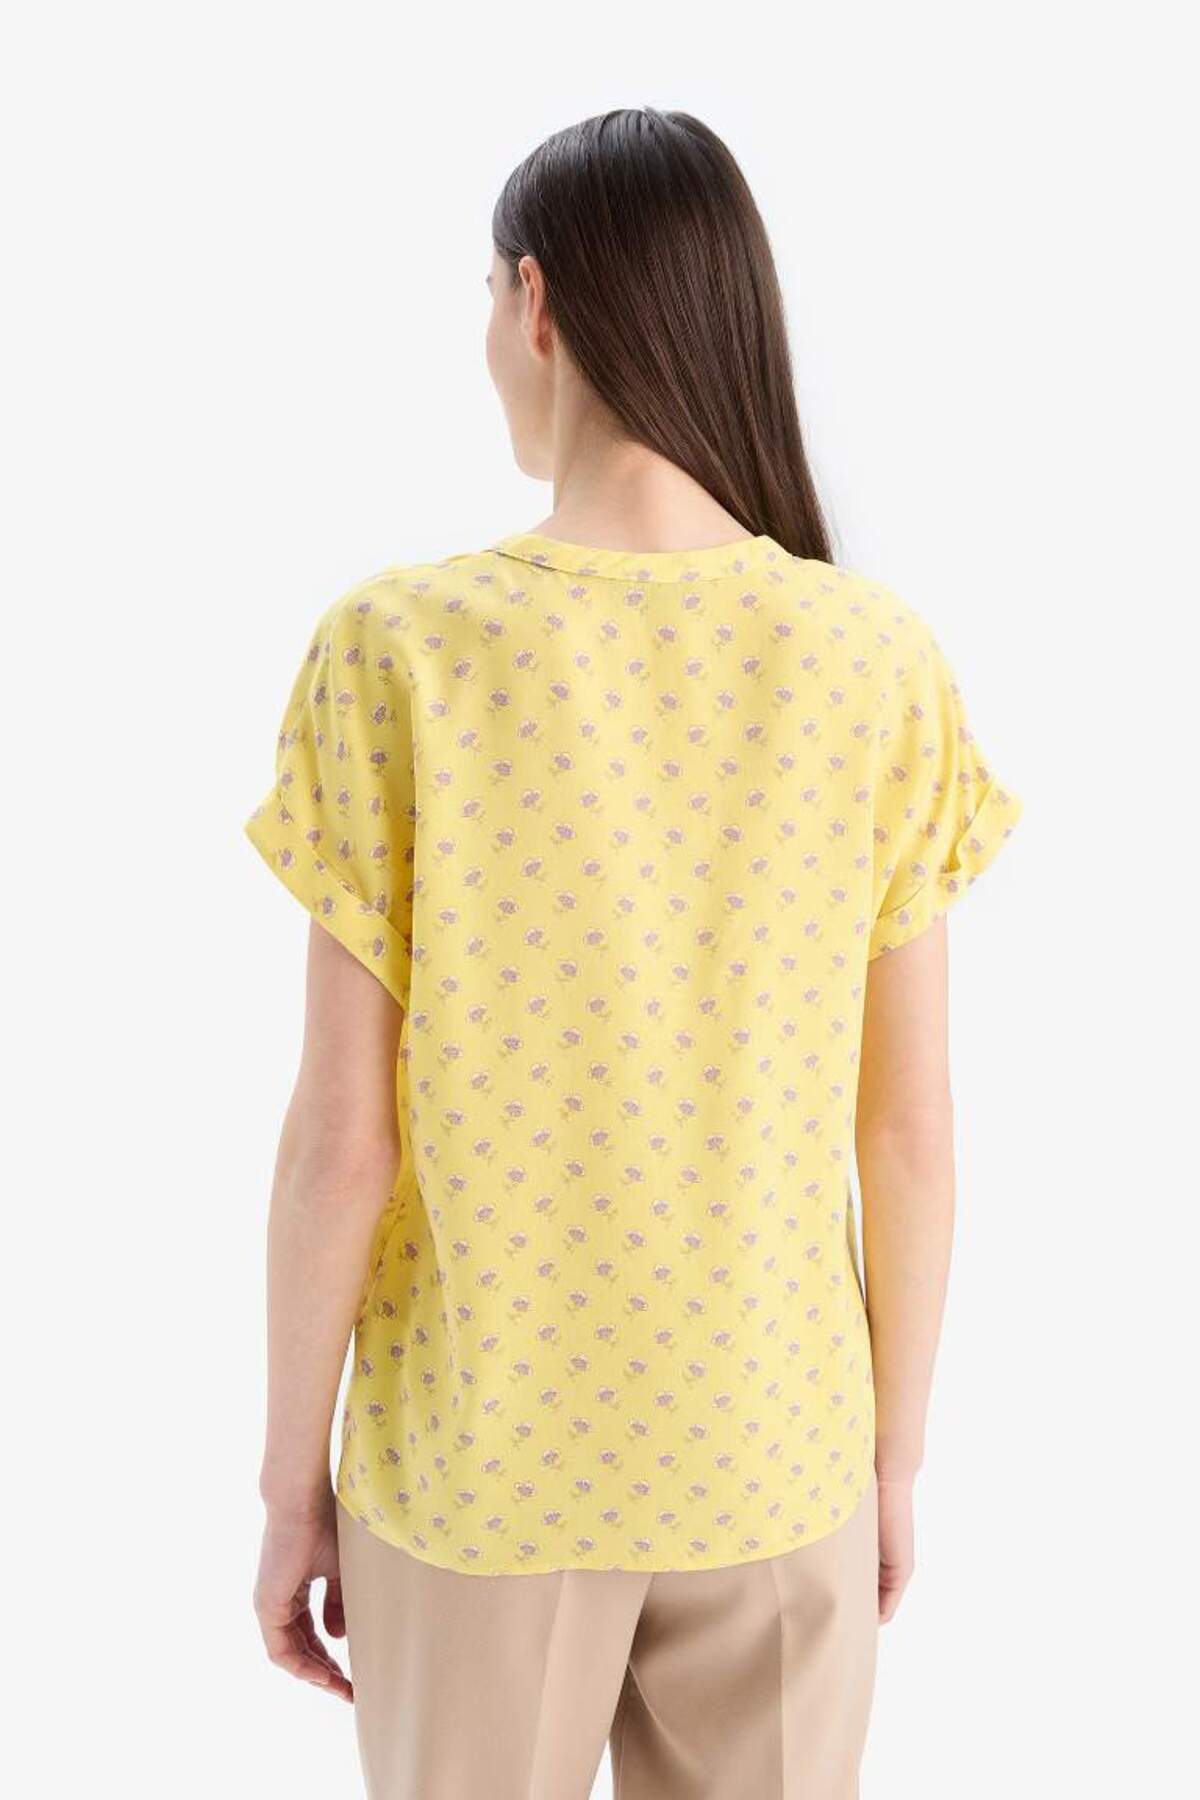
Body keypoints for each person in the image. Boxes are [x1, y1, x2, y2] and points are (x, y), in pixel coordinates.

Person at [244, 108, 1023, 1800]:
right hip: (777, 1460)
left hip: (480, 1470)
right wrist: (893, 1462)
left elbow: (343, 1145)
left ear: (535, 301)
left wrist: (289, 1490)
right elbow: (909, 1130)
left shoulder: (398, 648)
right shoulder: (873, 658)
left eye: (485, 300)